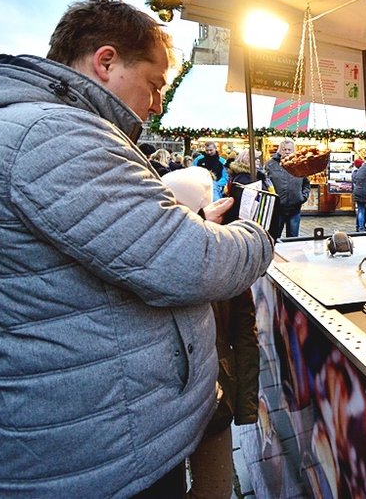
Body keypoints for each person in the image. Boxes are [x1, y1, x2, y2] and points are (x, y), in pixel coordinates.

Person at [0, 0, 275, 497]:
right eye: (154, 83)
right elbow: (191, 261)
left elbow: (123, 244)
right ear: (106, 61)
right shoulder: (48, 133)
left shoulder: (36, 128)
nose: (156, 103)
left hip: (90, 433)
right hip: (97, 453)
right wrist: (256, 234)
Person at [161, 168, 259, 499]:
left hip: (211, 400)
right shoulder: (155, 263)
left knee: (213, 490)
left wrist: (243, 406)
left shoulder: (223, 262)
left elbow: (244, 335)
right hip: (171, 406)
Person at [264, 139, 310, 239]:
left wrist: (303, 197)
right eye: (284, 149)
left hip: (294, 208)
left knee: (293, 239)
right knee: (274, 237)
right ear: (279, 150)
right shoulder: (270, 165)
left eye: (289, 149)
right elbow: (265, 183)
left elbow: (306, 183)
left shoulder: (300, 164)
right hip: (277, 209)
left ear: (293, 150)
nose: (287, 151)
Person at [351, 157, 366, 232]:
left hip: (357, 192)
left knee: (360, 210)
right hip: (365, 192)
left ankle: (359, 226)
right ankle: (362, 227)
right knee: (364, 210)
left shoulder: (356, 172)